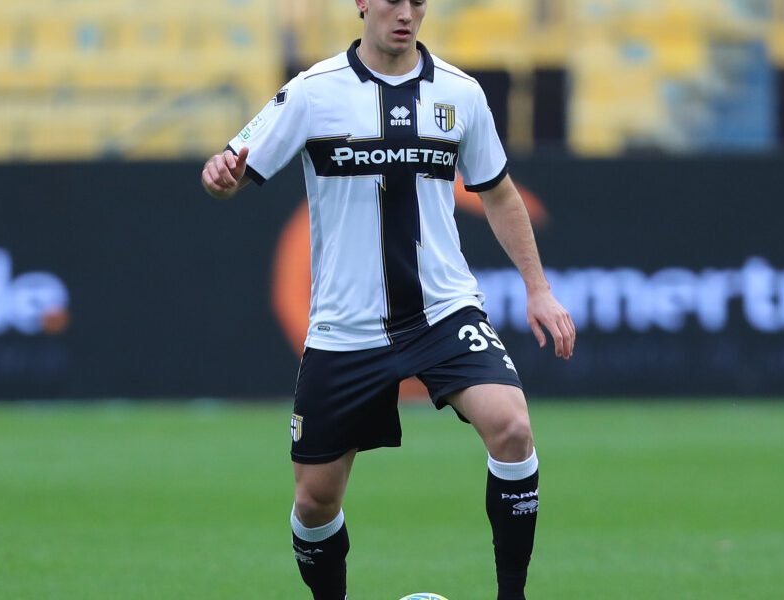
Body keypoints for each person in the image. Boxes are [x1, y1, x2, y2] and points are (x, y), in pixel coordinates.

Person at [200, 1, 575, 598]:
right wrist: (220, 175)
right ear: (362, 3)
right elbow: (230, 168)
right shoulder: (313, 92)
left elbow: (500, 194)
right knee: (315, 500)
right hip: (346, 330)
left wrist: (538, 289)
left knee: (512, 428)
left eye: (417, 2)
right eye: (393, 0)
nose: (405, 13)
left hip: (444, 312)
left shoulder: (460, 93)